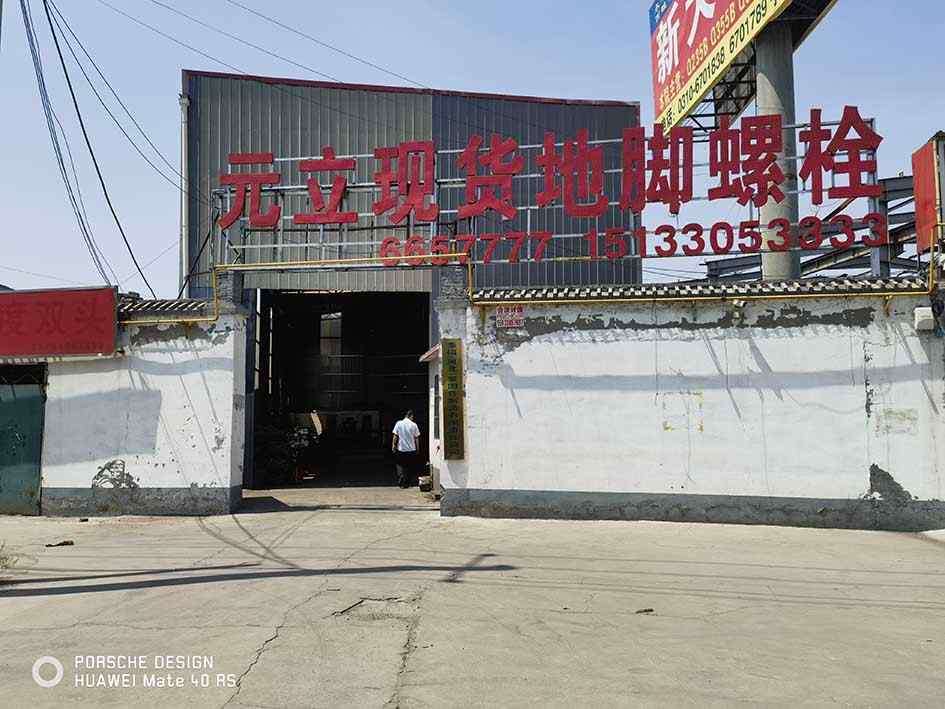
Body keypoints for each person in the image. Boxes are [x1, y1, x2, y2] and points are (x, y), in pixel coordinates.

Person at [391, 410, 421, 488]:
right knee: (409, 467)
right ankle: (407, 483)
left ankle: (401, 478)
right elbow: (416, 438)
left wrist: (393, 445)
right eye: (412, 417)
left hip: (401, 449)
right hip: (411, 450)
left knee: (400, 465)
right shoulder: (414, 425)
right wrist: (417, 449)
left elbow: (395, 436)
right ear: (411, 416)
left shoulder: (398, 423)